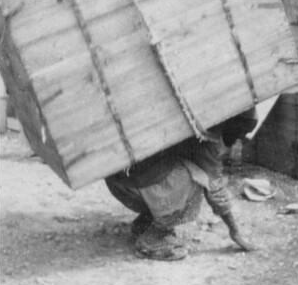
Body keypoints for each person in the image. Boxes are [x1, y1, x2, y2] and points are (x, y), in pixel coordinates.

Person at [104, 109, 258, 261]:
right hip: (132, 186)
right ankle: (151, 240)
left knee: (172, 171)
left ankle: (145, 223)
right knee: (196, 180)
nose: (240, 139)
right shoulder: (207, 140)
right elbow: (216, 190)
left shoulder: (192, 114)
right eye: (240, 135)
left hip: (118, 177)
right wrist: (234, 231)